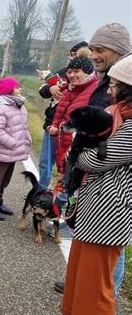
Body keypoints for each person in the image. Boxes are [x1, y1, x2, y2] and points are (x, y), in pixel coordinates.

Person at [54, 23, 130, 295]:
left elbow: (106, 153)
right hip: (93, 183)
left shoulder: (121, 89)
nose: (94, 54)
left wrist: (81, 154)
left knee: (108, 251)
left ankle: (107, 294)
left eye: (100, 49)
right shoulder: (106, 80)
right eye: (93, 49)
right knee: (90, 248)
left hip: (109, 191)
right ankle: (85, 290)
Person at [37, 41, 88, 189]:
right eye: (71, 55)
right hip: (52, 124)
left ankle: (63, 197)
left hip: (72, 130)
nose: (72, 58)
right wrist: (51, 88)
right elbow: (42, 90)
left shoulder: (90, 80)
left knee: (67, 165)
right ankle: (41, 191)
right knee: (45, 162)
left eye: (75, 55)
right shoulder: (63, 72)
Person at [0, 77, 31, 221]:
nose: (20, 89)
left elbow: (24, 127)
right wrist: (13, 143)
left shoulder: (19, 106)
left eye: (19, 87)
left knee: (5, 179)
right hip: (3, 150)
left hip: (13, 151)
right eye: (17, 87)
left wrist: (26, 140)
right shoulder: (0, 108)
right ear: (8, 90)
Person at [48, 49, 98, 183]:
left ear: (87, 72)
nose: (71, 75)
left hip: (79, 148)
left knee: (74, 186)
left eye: (76, 71)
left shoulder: (95, 91)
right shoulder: (69, 89)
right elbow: (60, 112)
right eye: (70, 71)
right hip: (63, 140)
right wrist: (54, 125)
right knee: (64, 181)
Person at [88, 22, 130, 108]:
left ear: (119, 51)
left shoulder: (126, 85)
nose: (93, 56)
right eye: (92, 50)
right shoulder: (105, 78)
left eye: (100, 50)